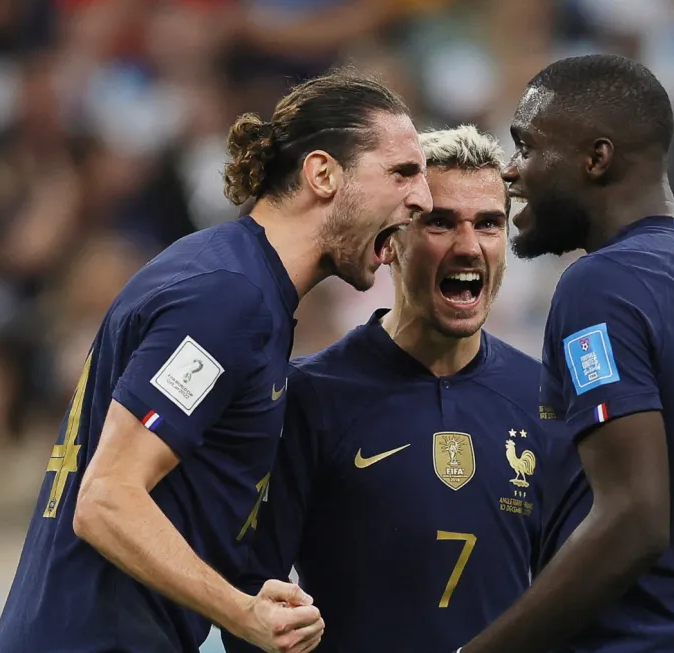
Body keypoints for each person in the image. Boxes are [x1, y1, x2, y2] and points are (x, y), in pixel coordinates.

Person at [0, 70, 433, 653]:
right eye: (402, 173)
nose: (422, 199)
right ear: (323, 174)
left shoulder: (238, 282)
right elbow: (107, 499)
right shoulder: (228, 299)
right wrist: (243, 614)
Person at [456, 54, 674, 653]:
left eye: (527, 146)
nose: (511, 171)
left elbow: (634, 520)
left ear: (596, 158)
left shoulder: (602, 284)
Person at [221, 125, 581, 653]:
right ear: (390, 241)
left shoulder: (546, 401)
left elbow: (573, 600)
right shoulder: (309, 397)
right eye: (440, 222)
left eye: (488, 224)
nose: (468, 246)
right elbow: (254, 601)